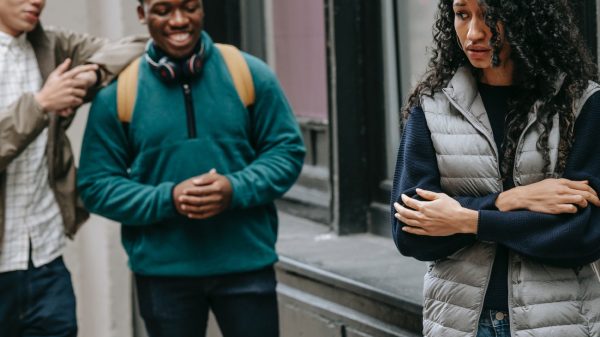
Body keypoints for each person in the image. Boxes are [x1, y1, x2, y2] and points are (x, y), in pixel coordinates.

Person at [77, 0, 305, 336]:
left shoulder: (249, 73)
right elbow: (96, 185)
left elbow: (286, 152)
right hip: (163, 277)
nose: (179, 20)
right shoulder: (118, 93)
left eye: (189, 7)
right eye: (163, 10)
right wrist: (169, 198)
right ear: (141, 14)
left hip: (245, 266)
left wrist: (234, 188)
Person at [391, 0, 600, 336]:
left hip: (559, 322)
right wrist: (510, 201)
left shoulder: (580, 104)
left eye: (491, 16)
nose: (474, 33)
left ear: (527, 16)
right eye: (462, 14)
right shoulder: (431, 107)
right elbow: (410, 234)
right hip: (460, 324)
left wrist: (465, 219)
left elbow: (584, 234)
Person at [0, 0, 145, 336]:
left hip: (45, 262)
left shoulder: (52, 46)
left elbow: (141, 46)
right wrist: (40, 105)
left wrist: (94, 72)